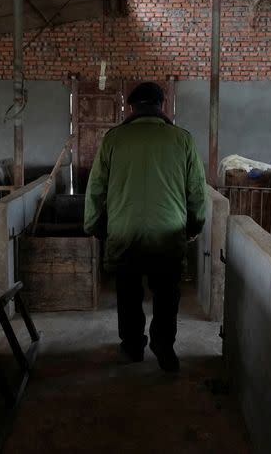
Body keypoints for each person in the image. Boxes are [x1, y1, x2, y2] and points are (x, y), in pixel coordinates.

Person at [84, 81, 207, 372]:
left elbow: (96, 189)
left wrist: (96, 226)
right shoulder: (183, 140)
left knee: (128, 293)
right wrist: (193, 225)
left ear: (130, 107)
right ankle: (163, 346)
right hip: (168, 234)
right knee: (167, 293)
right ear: (162, 105)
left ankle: (132, 347)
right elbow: (197, 192)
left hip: (124, 233)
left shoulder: (113, 139)